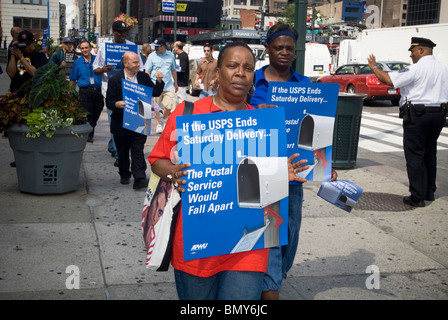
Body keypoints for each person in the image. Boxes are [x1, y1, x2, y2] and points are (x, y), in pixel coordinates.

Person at [147, 41, 310, 300]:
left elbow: (274, 177)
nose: (240, 73)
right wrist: (174, 172)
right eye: (232, 65)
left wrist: (282, 174)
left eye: (247, 68)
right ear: (218, 72)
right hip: (198, 242)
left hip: (249, 247)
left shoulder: (264, 122)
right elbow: (157, 160)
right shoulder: (188, 113)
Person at [249, 22, 337, 300]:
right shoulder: (252, 81)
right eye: (279, 47)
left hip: (296, 172)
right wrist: (256, 110)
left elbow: (317, 126)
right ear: (268, 49)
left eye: (289, 48)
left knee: (290, 233)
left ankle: (276, 278)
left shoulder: (306, 85)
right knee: (270, 235)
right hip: (261, 169)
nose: (285, 52)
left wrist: (325, 165)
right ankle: (269, 287)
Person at [367, 37, 448, 207]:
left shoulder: (416, 69)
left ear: (421, 50)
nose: (411, 55)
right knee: (429, 152)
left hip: (417, 116)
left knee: (415, 155)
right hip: (438, 114)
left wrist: (374, 67)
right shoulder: (444, 69)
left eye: (412, 51)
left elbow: (389, 80)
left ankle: (417, 196)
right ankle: (429, 191)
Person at [106, 51, 164, 189]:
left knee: (138, 149)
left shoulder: (143, 77)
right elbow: (109, 100)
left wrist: (160, 80)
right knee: (123, 150)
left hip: (140, 119)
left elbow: (155, 92)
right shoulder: (115, 80)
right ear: (125, 64)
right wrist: (116, 104)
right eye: (135, 62)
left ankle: (140, 177)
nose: (138, 64)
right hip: (121, 121)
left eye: (138, 62)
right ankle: (124, 174)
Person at [93, 20, 144, 166]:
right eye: (119, 32)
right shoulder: (105, 47)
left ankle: (113, 145)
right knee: (114, 120)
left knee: (125, 123)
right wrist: (104, 69)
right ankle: (117, 153)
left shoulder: (131, 47)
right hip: (111, 89)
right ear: (113, 32)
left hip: (130, 89)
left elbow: (140, 66)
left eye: (124, 32)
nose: (122, 34)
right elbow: (95, 69)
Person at [69, 40, 103, 143]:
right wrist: (70, 93)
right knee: (88, 113)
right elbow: (72, 79)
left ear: (90, 48)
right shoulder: (78, 62)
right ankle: (89, 134)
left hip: (97, 90)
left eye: (86, 47)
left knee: (98, 110)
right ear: (80, 49)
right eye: (82, 48)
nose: (84, 50)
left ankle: (91, 127)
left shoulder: (97, 60)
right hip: (85, 91)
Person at [144, 37, 178, 134]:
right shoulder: (151, 56)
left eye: (158, 46)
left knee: (171, 104)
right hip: (155, 85)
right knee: (156, 106)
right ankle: (158, 124)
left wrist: (176, 83)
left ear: (163, 46)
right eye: (155, 46)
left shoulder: (171, 56)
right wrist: (147, 84)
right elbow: (147, 71)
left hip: (168, 85)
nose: (156, 48)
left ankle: (164, 118)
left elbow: (173, 70)